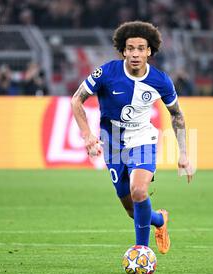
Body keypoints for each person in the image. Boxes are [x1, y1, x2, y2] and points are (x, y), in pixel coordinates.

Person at [71, 21, 193, 254]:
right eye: (130, 48)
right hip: (112, 142)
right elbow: (77, 99)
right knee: (132, 210)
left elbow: (176, 114)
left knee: (139, 191)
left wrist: (184, 153)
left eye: (141, 48)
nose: (135, 54)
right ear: (123, 50)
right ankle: (159, 220)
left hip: (143, 139)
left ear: (149, 51)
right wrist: (87, 135)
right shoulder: (106, 73)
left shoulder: (161, 81)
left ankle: (142, 252)